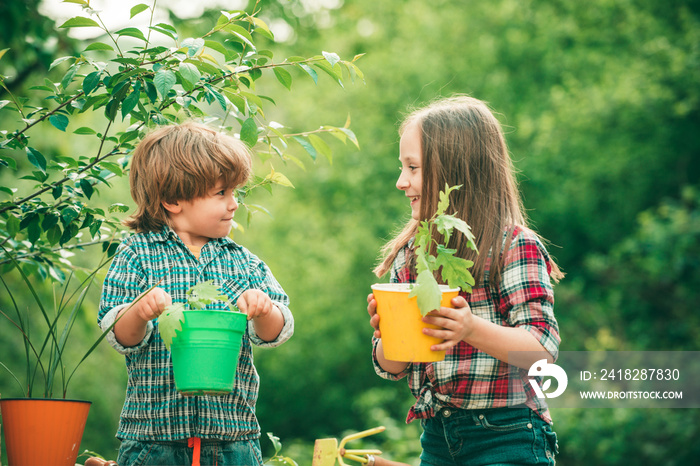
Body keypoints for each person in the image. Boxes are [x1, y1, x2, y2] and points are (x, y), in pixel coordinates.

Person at [367, 95, 562, 466]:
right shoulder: (413, 256)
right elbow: (394, 366)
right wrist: (388, 334)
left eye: (413, 168)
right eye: (401, 167)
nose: (400, 182)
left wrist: (469, 327)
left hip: (509, 434)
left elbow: (542, 349)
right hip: (438, 438)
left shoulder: (513, 245)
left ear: (456, 173)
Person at [98, 122, 293, 466]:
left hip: (232, 438)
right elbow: (120, 336)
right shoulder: (136, 255)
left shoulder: (242, 262)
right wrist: (139, 312)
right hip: (154, 439)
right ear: (173, 200)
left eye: (235, 193)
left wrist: (265, 311)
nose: (233, 204)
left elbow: (276, 332)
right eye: (221, 194)